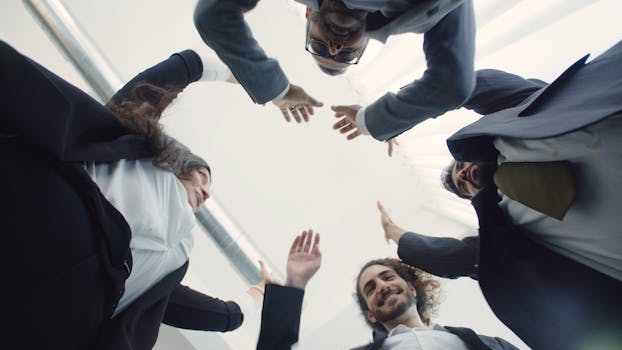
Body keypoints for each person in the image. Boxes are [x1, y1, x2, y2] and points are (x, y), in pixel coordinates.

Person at [0, 41, 276, 350]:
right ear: (176, 162)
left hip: (53, 318)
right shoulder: (136, 152)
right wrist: (244, 72)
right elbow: (181, 69)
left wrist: (260, 293)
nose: (206, 192)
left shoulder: (175, 261)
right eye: (201, 176)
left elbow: (224, 316)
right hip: (42, 213)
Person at [375, 39, 622, 350]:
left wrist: (395, 117)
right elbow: (450, 257)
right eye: (463, 185)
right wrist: (395, 232)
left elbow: (470, 85)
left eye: (460, 167)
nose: (463, 174)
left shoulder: (519, 119)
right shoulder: (513, 231)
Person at [194, 0, 475, 149]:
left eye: (318, 45)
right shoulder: (420, 14)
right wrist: (374, 121)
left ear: (307, 13)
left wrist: (275, 89)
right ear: (366, 41)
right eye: (345, 55)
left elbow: (213, 14)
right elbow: (452, 85)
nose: (334, 46)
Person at [257, 255, 518, 349]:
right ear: (371, 314)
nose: (382, 286)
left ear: (412, 289)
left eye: (387, 277)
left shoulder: (490, 345)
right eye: (370, 289)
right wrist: (295, 284)